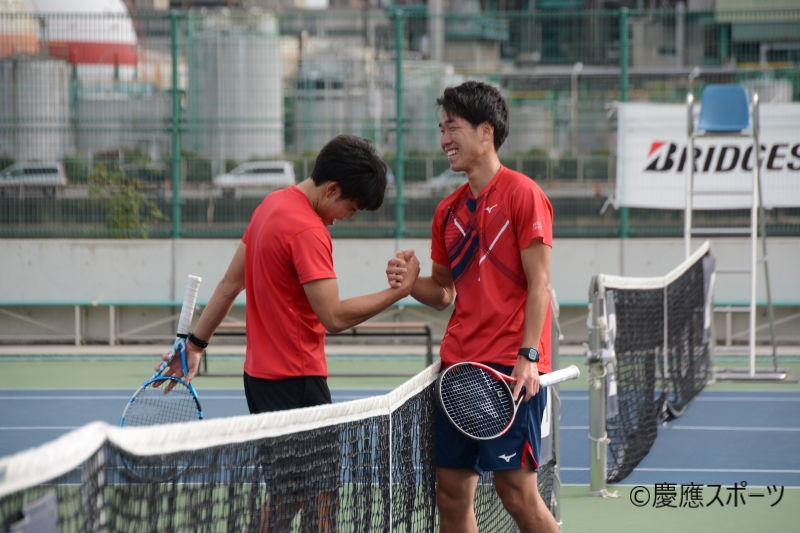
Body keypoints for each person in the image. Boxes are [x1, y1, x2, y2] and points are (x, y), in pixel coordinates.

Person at [160, 134, 420, 531]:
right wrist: (398, 293)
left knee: (286, 495)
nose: (346, 217)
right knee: (321, 498)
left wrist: (195, 345)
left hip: (260, 381)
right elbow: (333, 316)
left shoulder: (270, 206)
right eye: (349, 207)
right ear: (331, 189)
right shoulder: (309, 231)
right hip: (297, 381)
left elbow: (230, 285)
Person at [387, 81, 558, 533]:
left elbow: (539, 283)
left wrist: (529, 358)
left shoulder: (524, 195)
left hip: (508, 373)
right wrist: (410, 285)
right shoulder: (447, 212)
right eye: (441, 128)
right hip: (458, 373)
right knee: (450, 495)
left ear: (486, 132)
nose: (444, 138)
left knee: (516, 494)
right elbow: (443, 291)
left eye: (453, 127)